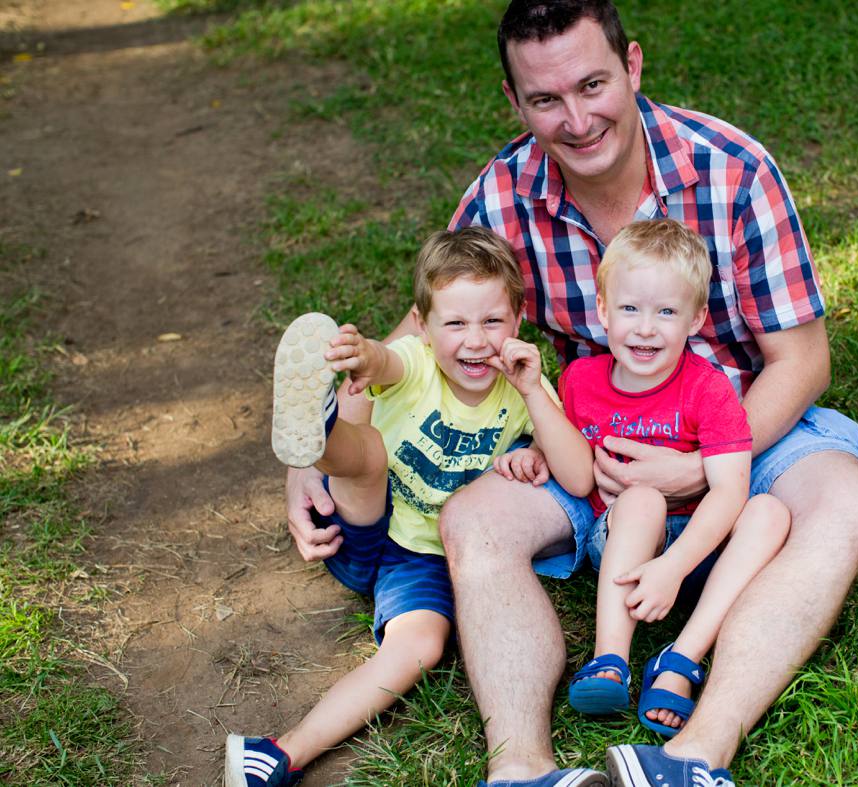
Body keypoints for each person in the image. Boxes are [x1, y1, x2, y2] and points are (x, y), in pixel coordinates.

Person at [285, 2, 858, 785]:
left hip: (745, 426)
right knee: (474, 517)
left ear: (632, 67)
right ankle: (520, 768)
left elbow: (803, 362)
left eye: (593, 84)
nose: (576, 120)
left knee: (852, 502)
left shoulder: (732, 170)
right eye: (545, 100)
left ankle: (695, 757)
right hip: (592, 442)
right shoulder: (504, 195)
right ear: (514, 101)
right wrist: (323, 449)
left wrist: (705, 464)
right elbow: (411, 345)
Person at [227, 227, 594, 787]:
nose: (475, 341)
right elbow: (384, 364)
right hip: (361, 524)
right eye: (455, 323)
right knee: (369, 450)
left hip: (423, 562)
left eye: (491, 321)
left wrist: (533, 397)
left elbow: (577, 473)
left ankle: (277, 753)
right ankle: (319, 426)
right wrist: (364, 358)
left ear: (518, 320)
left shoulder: (521, 385)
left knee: (421, 645)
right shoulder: (414, 362)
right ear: (422, 326)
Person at [492, 220, 790, 740]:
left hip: (697, 549)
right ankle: (610, 658)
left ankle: (681, 660)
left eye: (666, 312)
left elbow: (729, 490)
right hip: (624, 541)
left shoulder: (709, 388)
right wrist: (538, 449)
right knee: (645, 499)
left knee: (769, 512)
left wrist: (674, 567)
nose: (646, 328)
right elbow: (579, 472)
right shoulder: (581, 380)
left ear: (696, 319)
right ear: (603, 310)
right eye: (630, 309)